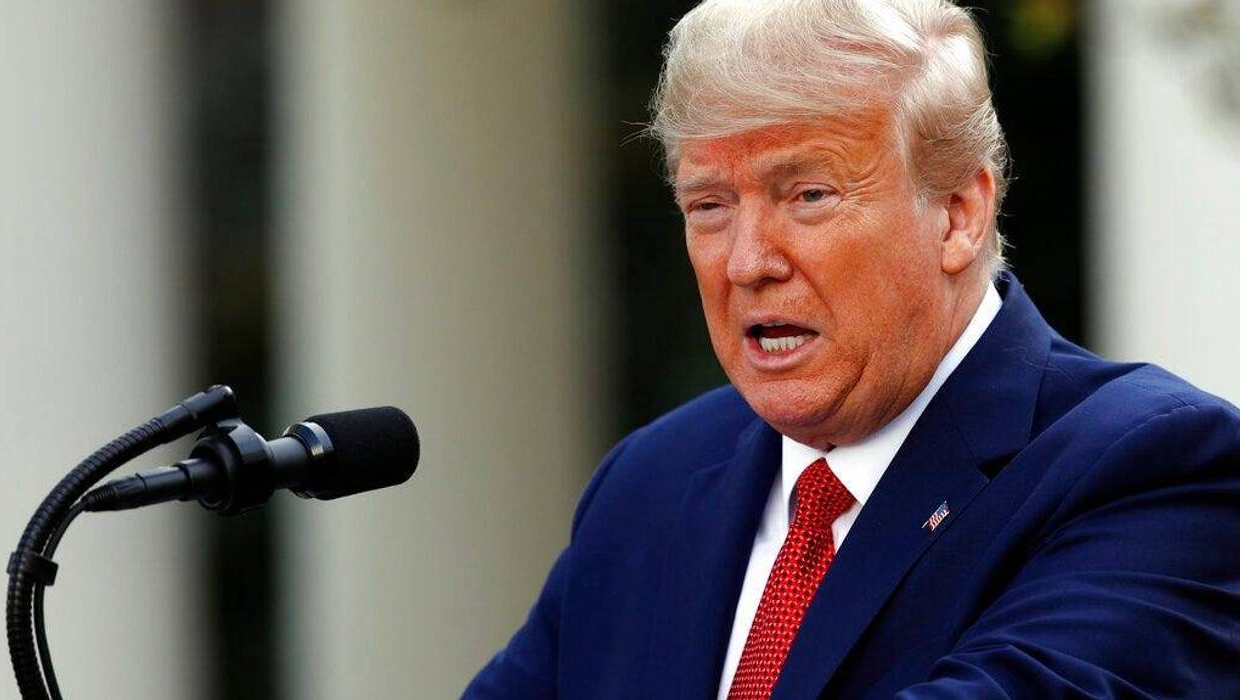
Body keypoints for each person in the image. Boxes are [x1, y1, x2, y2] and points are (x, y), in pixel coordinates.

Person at [465, 0, 1240, 697]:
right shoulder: (650, 482)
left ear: (958, 214)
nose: (746, 262)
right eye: (709, 206)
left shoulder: (1150, 467)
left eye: (807, 195)